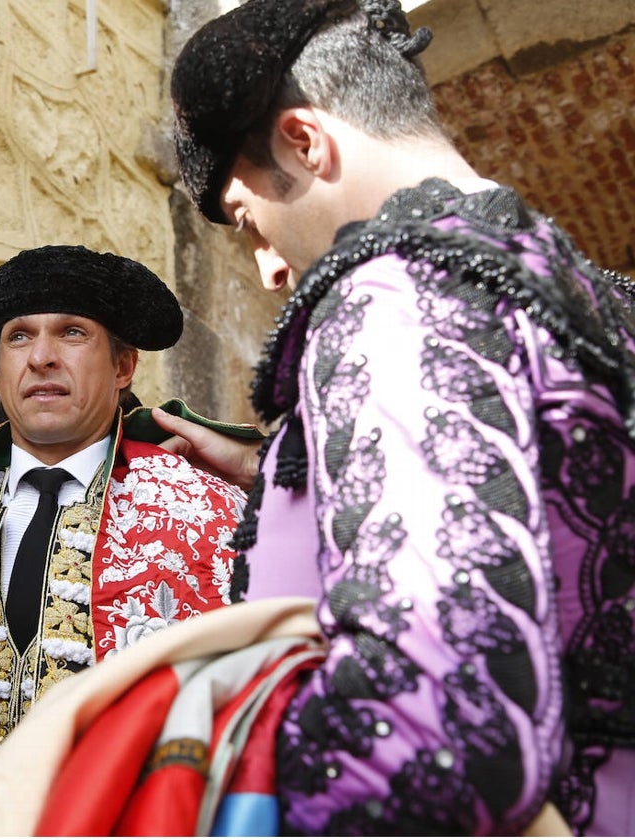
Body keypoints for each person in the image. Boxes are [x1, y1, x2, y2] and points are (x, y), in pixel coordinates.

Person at [152, 0, 635, 834]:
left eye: (246, 220)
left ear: (305, 141)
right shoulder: (590, 297)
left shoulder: (397, 294)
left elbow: (438, 727)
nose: (268, 267)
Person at [0, 244, 256, 832]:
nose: (40, 357)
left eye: (71, 333)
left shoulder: (205, 510)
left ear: (123, 367)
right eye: (18, 337)